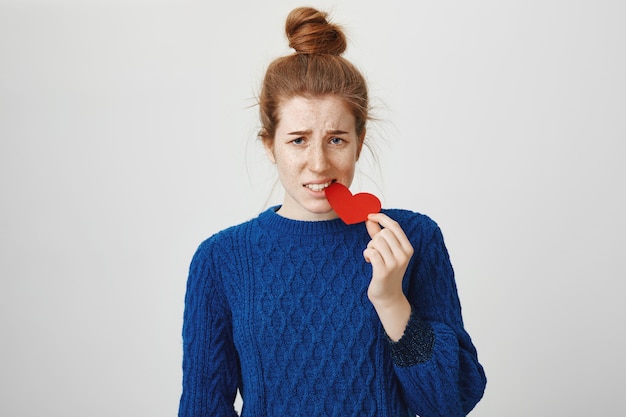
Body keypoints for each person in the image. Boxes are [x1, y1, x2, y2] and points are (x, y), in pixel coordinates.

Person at [178, 6, 486, 417]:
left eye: (336, 139)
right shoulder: (221, 259)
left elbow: (452, 402)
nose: (319, 164)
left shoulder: (413, 238)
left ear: (360, 141)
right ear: (269, 144)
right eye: (298, 140)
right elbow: (202, 409)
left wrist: (392, 300)